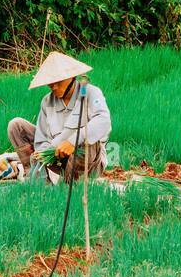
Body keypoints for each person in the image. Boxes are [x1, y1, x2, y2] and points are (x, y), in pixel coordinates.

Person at [7, 51, 111, 185]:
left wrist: (72, 142)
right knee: (16, 126)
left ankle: (70, 183)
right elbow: (41, 139)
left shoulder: (90, 93)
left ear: (72, 77)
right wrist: (46, 152)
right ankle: (34, 177)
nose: (54, 87)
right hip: (57, 156)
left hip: (88, 162)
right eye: (50, 83)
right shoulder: (47, 101)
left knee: (89, 138)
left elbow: (103, 120)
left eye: (58, 82)